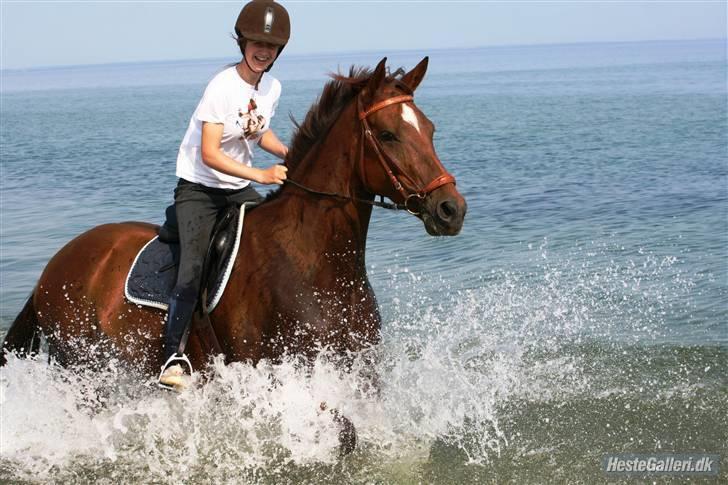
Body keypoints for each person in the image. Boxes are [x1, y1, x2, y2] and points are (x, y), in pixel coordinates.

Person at [158, 0, 290, 390]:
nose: (262, 51)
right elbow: (210, 153)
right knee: (193, 268)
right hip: (200, 189)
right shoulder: (221, 87)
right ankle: (172, 357)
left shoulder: (272, 87)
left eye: (270, 47)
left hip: (237, 189)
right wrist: (261, 173)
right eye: (255, 43)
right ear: (242, 42)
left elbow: (256, 130)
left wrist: (286, 152)